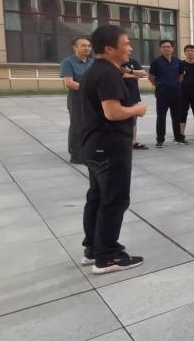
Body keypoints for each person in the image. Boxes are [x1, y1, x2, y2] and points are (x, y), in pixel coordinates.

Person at [78, 24, 146, 274]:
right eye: (126, 43)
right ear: (109, 48)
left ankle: (93, 248)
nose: (130, 48)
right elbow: (113, 112)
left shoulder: (96, 70)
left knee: (97, 197)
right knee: (114, 200)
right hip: (110, 146)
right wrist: (136, 109)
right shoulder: (107, 73)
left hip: (95, 146)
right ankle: (106, 257)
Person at [60, 36, 94, 163]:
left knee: (91, 126)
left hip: (92, 100)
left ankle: (88, 151)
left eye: (89, 46)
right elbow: (69, 83)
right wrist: (89, 88)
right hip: (77, 100)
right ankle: (76, 155)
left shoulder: (93, 63)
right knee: (77, 126)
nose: (87, 48)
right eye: (83, 45)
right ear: (75, 47)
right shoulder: (68, 62)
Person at [148, 40, 187, 147]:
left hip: (176, 94)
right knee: (161, 117)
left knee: (176, 117)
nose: (166, 48)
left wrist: (176, 84)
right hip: (162, 94)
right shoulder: (156, 62)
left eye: (168, 46)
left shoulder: (178, 62)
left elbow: (181, 75)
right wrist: (159, 85)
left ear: (172, 48)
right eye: (164, 47)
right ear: (160, 49)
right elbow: (151, 77)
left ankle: (178, 137)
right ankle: (160, 140)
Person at [120, 57, 148, 150]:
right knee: (120, 119)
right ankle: (122, 142)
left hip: (133, 95)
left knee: (133, 120)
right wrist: (135, 75)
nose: (128, 51)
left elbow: (143, 73)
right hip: (120, 95)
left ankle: (133, 142)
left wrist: (130, 72)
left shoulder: (133, 61)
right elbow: (118, 75)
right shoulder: (116, 61)